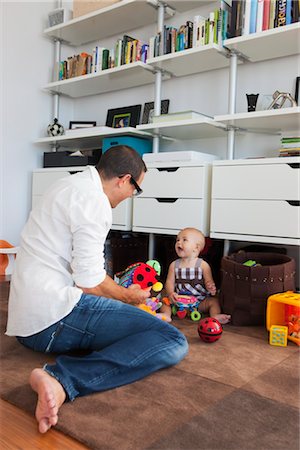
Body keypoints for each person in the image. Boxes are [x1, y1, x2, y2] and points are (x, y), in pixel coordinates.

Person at [6, 145, 188, 434]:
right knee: (171, 340)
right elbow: (90, 283)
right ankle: (61, 379)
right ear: (124, 180)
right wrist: (130, 297)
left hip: (26, 324)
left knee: (138, 329)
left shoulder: (67, 184)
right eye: (135, 189)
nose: (131, 196)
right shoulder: (94, 201)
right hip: (52, 319)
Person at [160, 227, 231, 324]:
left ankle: (215, 315)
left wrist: (210, 287)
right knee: (164, 301)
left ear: (196, 248)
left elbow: (208, 282)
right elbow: (169, 282)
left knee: (214, 302)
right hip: (179, 300)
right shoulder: (174, 265)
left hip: (199, 301)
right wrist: (171, 293)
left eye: (184, 240)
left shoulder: (203, 265)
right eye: (177, 240)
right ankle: (166, 315)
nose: (179, 242)